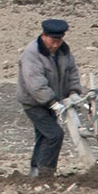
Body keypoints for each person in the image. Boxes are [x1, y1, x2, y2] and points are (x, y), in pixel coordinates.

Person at [17, 18, 83, 178]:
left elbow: (72, 72)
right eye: (53, 40)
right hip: (34, 103)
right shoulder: (32, 54)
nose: (56, 44)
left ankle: (35, 171)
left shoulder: (64, 51)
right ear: (44, 36)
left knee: (43, 136)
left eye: (59, 40)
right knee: (54, 135)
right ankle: (45, 173)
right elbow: (35, 84)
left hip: (53, 101)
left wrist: (74, 92)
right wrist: (53, 103)